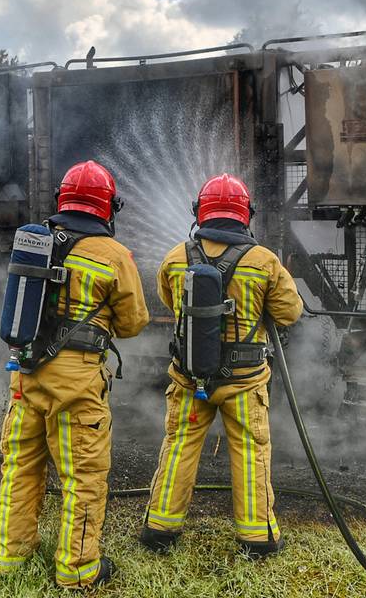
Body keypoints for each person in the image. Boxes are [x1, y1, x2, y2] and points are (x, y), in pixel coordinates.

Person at [0, 160, 149, 589]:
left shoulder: (37, 241)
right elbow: (134, 323)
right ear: (107, 207)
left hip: (25, 375)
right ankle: (78, 570)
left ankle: (9, 556)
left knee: (20, 466)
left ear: (62, 199)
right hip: (77, 383)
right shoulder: (113, 255)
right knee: (84, 475)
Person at [138, 173, 303, 558]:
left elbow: (170, 300)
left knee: (179, 445)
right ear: (247, 215)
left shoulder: (176, 257)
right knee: (250, 451)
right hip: (244, 383)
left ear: (200, 212)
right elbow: (290, 312)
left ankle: (160, 529)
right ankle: (256, 538)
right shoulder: (264, 261)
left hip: (189, 376)